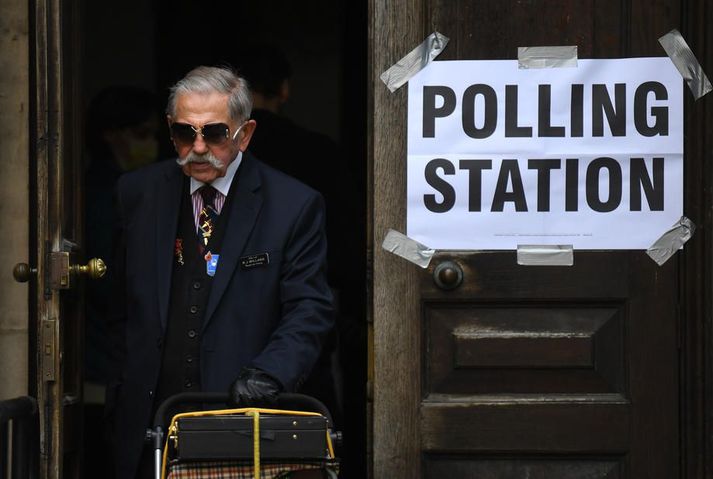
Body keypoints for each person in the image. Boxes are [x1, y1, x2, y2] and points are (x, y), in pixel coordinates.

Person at [106, 66, 335, 479]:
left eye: (213, 134)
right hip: (149, 416)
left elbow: (310, 307)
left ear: (244, 134)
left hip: (245, 419)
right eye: (183, 133)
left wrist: (270, 372)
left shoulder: (293, 204)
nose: (197, 148)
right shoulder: (136, 192)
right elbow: (119, 300)